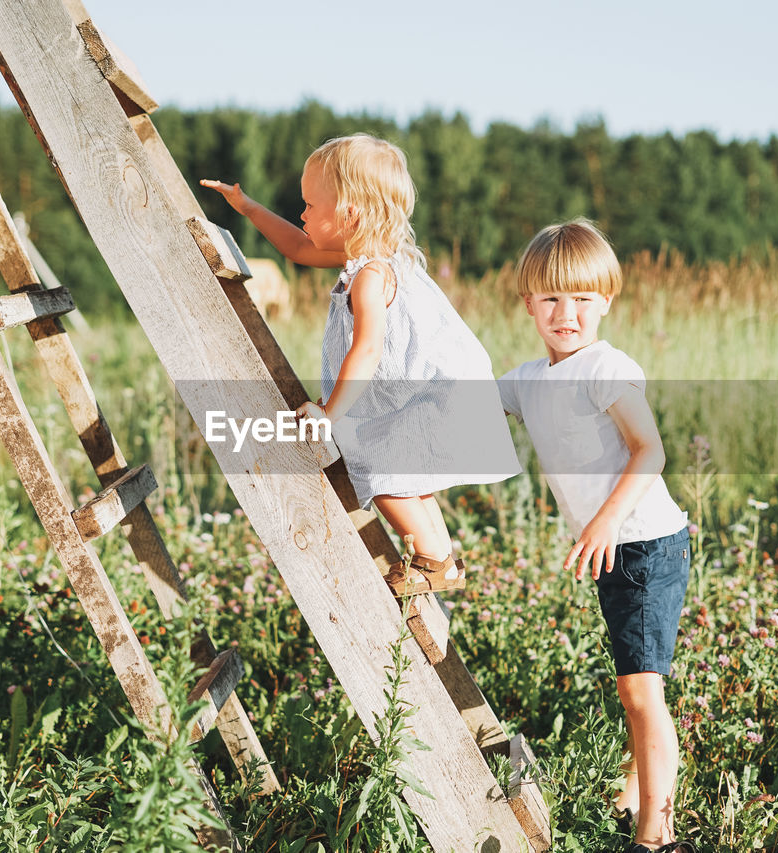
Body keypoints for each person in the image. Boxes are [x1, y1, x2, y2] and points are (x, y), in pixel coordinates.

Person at [201, 134, 519, 595]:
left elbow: (366, 350)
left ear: (350, 212)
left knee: (378, 461)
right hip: (439, 389)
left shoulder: (370, 277)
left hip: (437, 394)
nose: (303, 213)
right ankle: (441, 559)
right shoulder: (374, 259)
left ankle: (433, 561)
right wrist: (248, 206)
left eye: (311, 204)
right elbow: (297, 248)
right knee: (404, 473)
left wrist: (330, 414)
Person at [497, 220, 694, 853]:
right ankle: (636, 789)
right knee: (637, 682)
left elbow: (650, 450)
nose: (567, 314)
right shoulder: (529, 380)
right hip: (613, 546)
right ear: (528, 303)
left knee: (641, 688)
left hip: (645, 542)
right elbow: (464, 401)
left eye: (583, 299)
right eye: (551, 298)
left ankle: (655, 836)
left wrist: (605, 520)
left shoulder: (606, 367)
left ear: (606, 300)